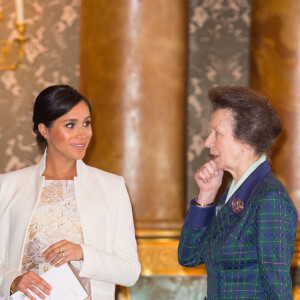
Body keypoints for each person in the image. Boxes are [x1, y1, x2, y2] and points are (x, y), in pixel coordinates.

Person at [0, 85, 141, 300]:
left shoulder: (112, 187)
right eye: (70, 125)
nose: (83, 134)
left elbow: (130, 271)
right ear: (44, 130)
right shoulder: (8, 186)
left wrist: (84, 253)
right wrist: (12, 280)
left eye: (86, 123)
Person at [178, 86, 298, 299]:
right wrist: (206, 196)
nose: (208, 142)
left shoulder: (270, 199)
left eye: (217, 133)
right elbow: (189, 256)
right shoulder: (231, 195)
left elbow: (278, 292)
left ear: (245, 141)